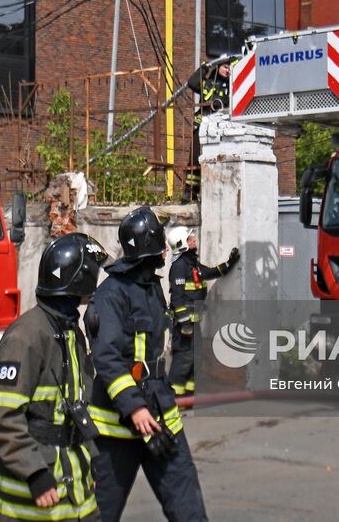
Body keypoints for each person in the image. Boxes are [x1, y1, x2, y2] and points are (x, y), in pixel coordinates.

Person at [0, 232, 108, 521]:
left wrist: (88, 463)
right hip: (30, 493)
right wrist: (35, 474)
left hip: (70, 477)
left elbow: (75, 408)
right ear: (79, 278)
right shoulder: (26, 337)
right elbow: (2, 417)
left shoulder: (69, 331)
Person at [86, 206, 208, 521]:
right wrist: (135, 407)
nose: (167, 248)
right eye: (161, 241)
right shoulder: (110, 294)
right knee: (99, 513)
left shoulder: (152, 286)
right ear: (148, 246)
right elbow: (108, 358)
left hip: (160, 413)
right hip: (118, 427)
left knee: (189, 508)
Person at [165, 226, 239, 397]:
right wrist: (184, 322)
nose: (194, 240)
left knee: (195, 358)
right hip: (184, 325)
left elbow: (211, 272)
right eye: (190, 239)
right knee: (183, 359)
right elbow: (177, 297)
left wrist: (230, 262)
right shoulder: (179, 267)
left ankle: (189, 393)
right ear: (182, 244)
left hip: (193, 323)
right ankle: (175, 397)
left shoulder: (192, 264)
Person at [183, 62, 230, 201]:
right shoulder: (209, 82)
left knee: (218, 159)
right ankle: (190, 191)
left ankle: (213, 192)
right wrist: (205, 67)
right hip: (203, 124)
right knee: (196, 158)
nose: (227, 70)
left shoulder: (233, 85)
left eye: (229, 68)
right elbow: (192, 82)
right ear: (218, 66)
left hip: (221, 127)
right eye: (225, 67)